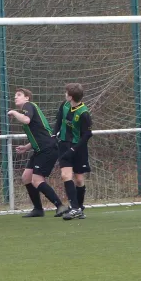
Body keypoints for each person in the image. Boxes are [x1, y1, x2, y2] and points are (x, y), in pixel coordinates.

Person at [8, 88, 68, 218]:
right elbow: (40, 134)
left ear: (27, 97)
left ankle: (60, 206)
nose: (15, 97)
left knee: (36, 180)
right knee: (26, 177)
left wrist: (14, 112)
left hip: (47, 149)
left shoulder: (28, 106)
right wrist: (26, 147)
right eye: (15, 95)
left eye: (19, 95)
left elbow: (26, 120)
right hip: (40, 149)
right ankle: (38, 209)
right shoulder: (28, 109)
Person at [53, 83, 94, 221]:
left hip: (78, 149)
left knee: (79, 179)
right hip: (64, 145)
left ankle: (78, 208)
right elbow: (59, 120)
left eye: (66, 93)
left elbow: (87, 134)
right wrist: (54, 134)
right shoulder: (64, 105)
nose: (65, 95)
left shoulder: (83, 113)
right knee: (66, 176)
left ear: (71, 96)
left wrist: (74, 149)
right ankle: (75, 208)